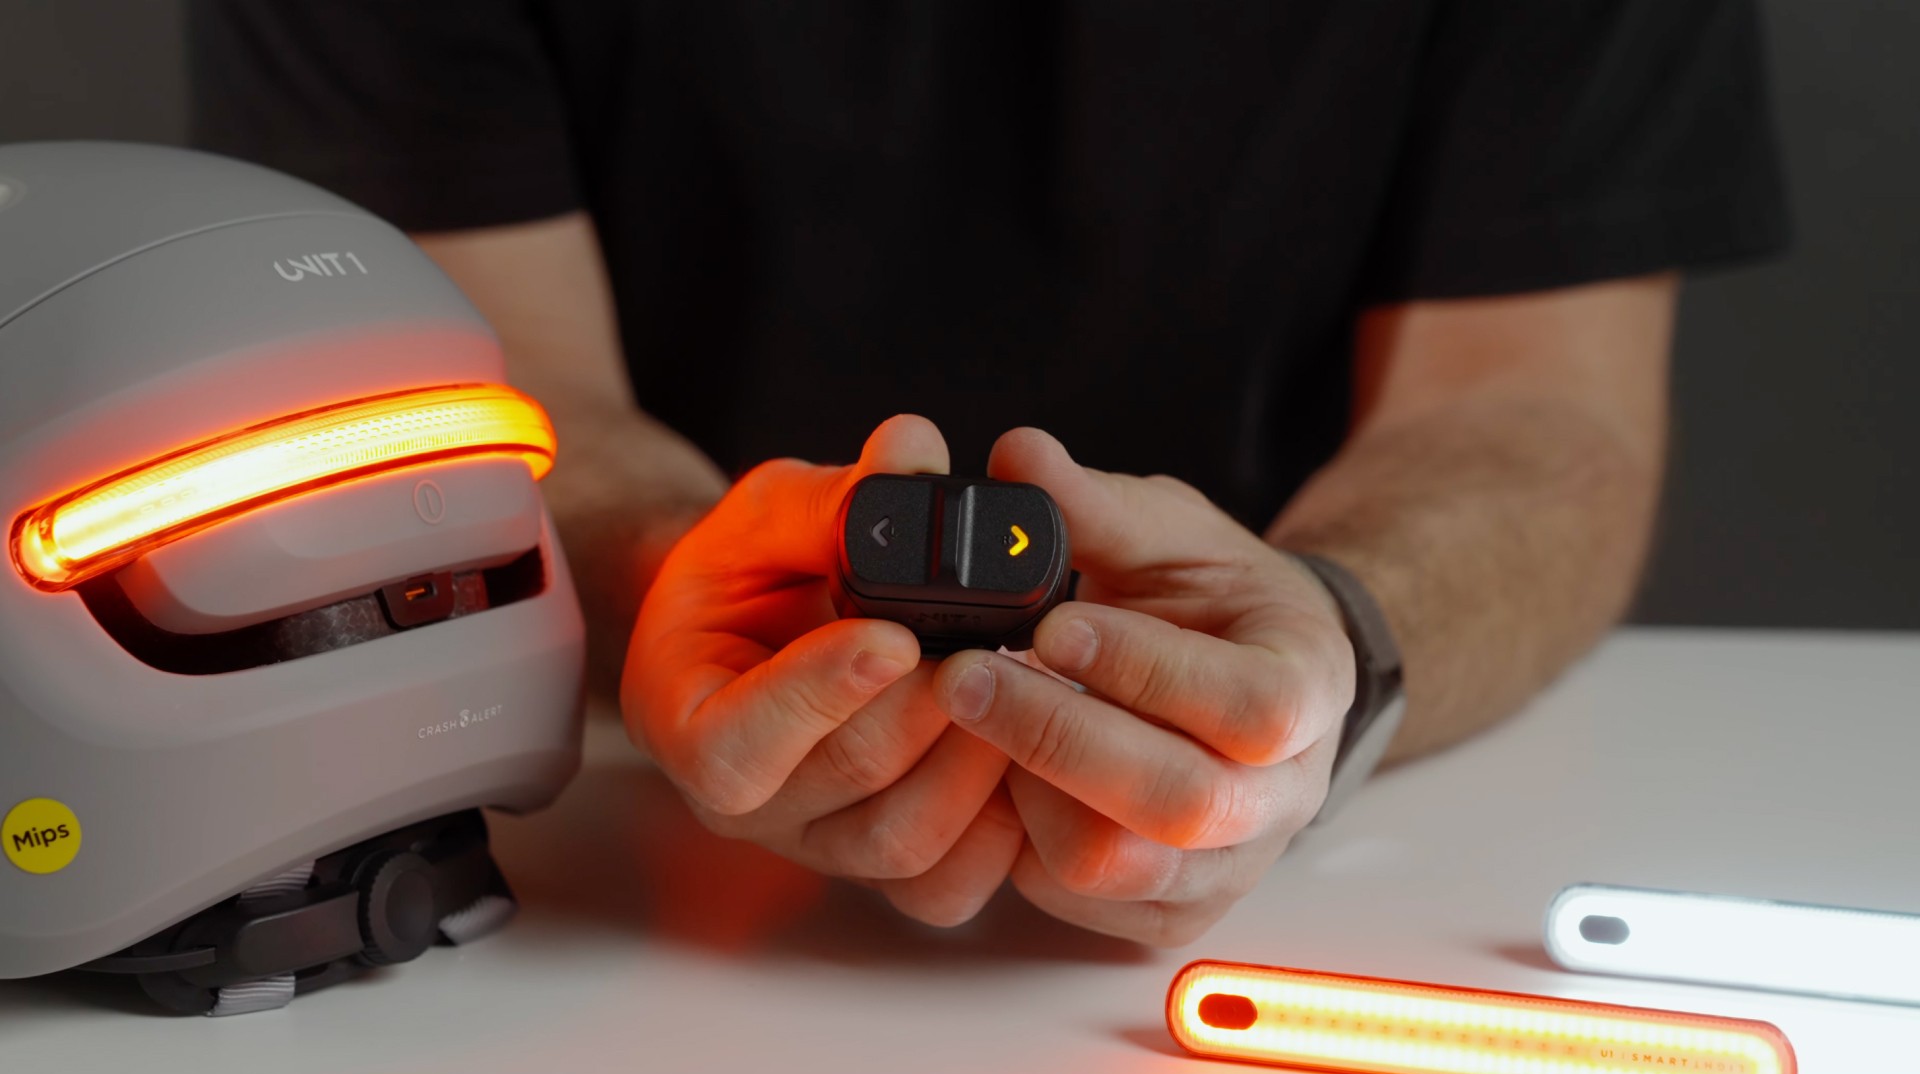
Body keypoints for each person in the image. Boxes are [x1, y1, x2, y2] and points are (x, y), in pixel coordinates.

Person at [189, 1, 1787, 945]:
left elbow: (1536, 416)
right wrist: (673, 574)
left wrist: (1329, 649)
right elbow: (476, 385)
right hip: (624, 848)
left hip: (1358, 853)